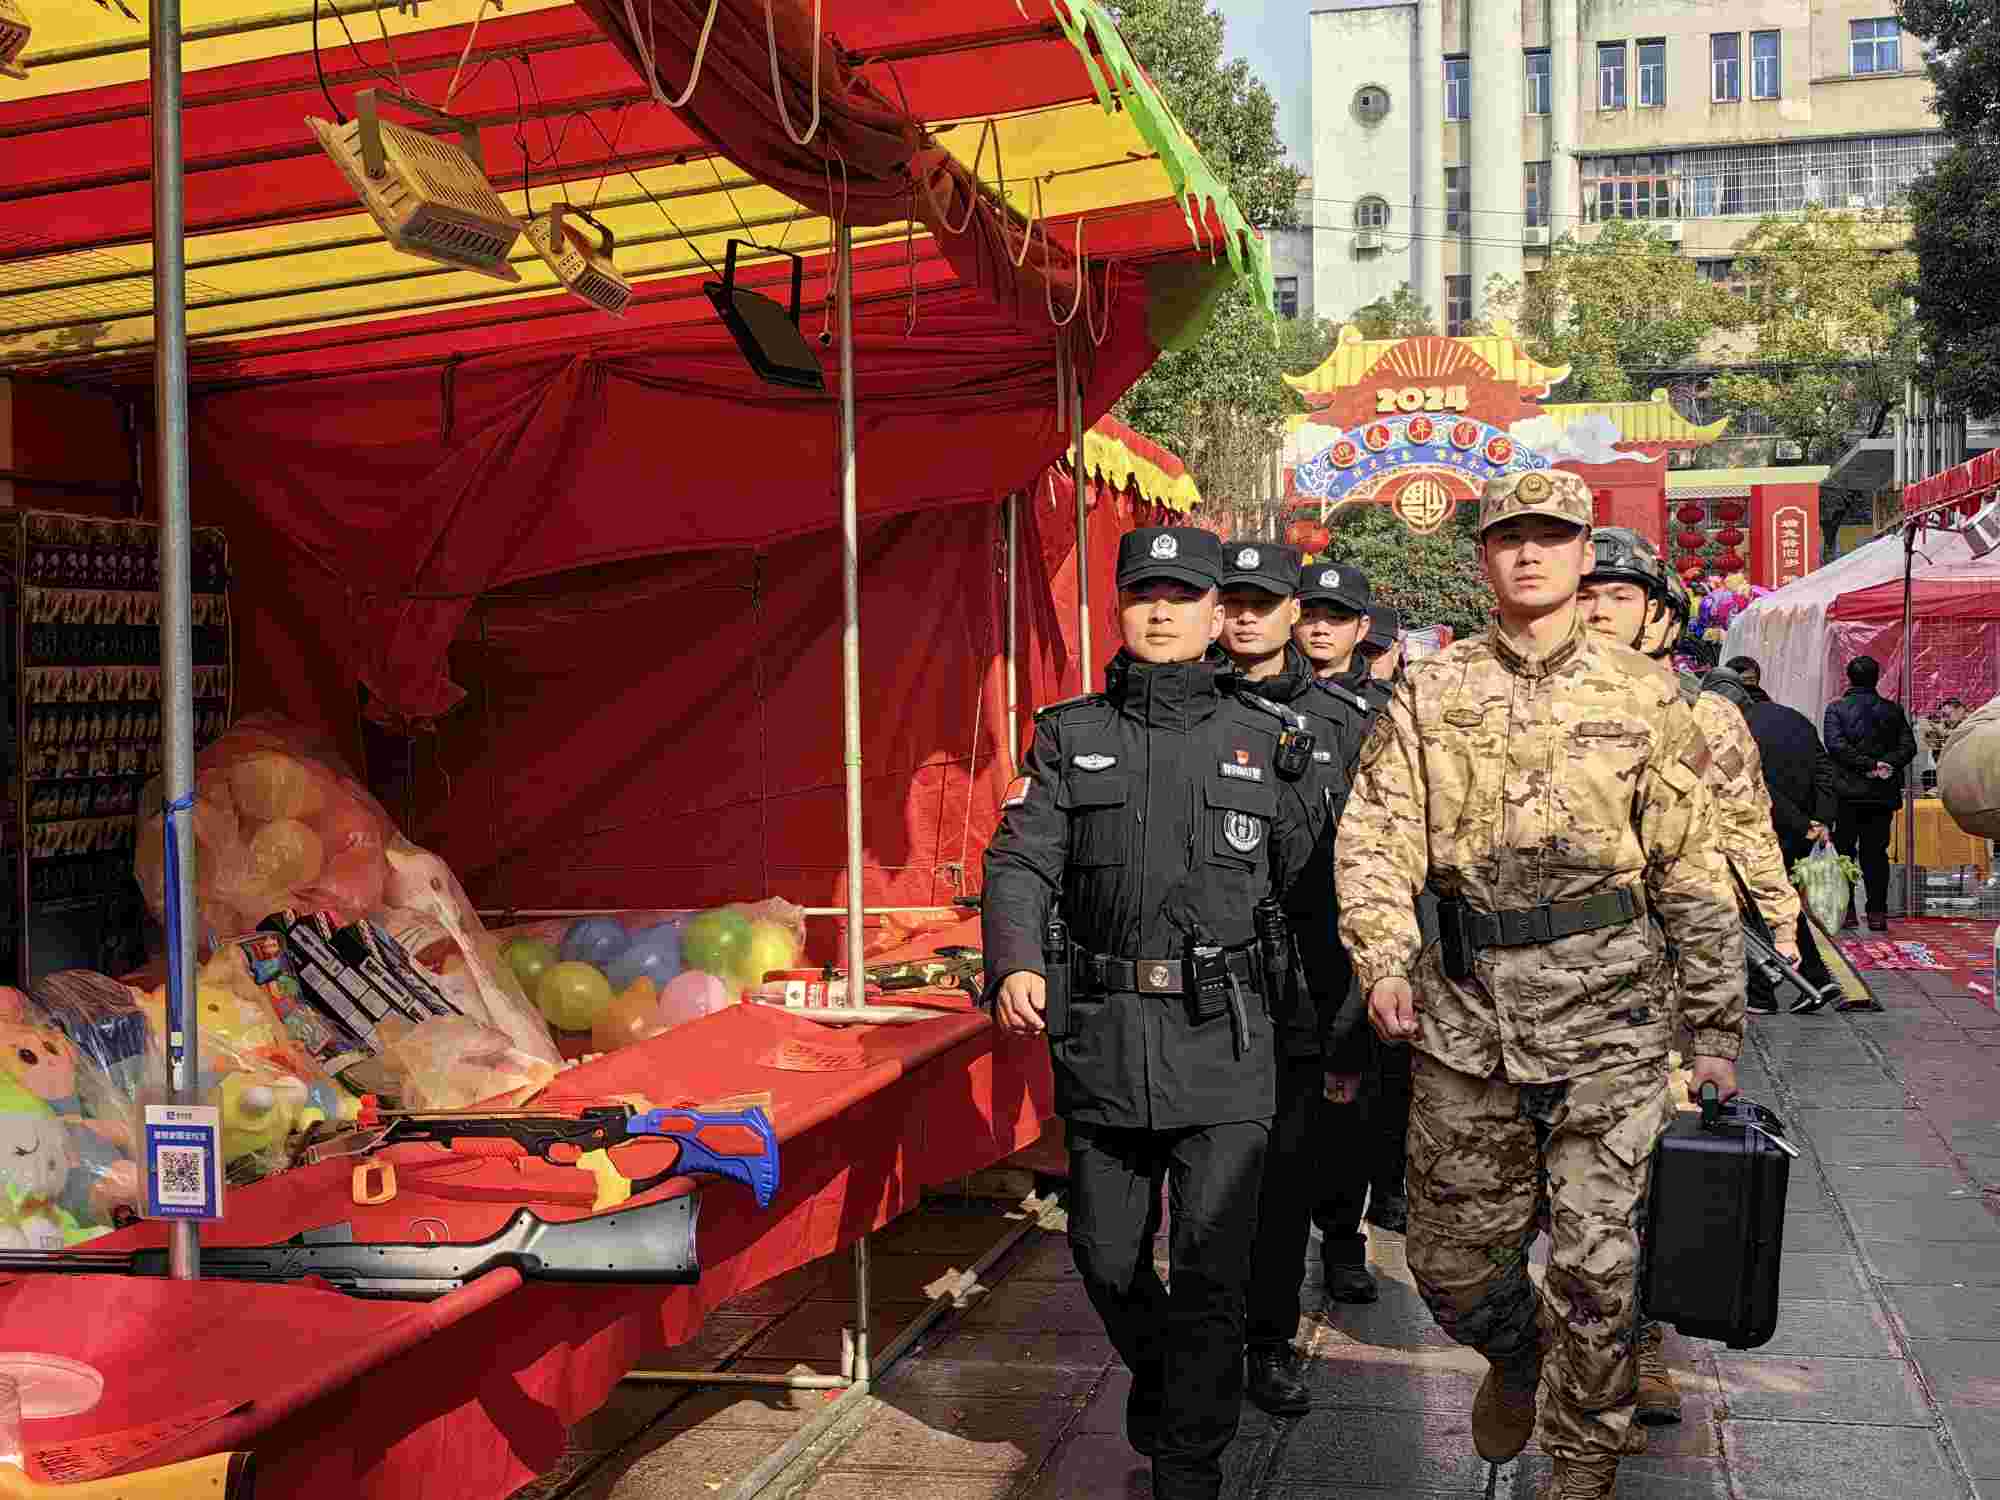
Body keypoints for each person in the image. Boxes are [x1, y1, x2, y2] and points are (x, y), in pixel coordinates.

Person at [1337, 470, 1744, 1500]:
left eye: (1550, 539)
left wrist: (1713, 1027)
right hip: (1467, 1018)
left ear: (1579, 556)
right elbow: (1376, 837)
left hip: (1612, 1019)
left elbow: (1693, 866)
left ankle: (1579, 1463)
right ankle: (1514, 1356)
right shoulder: (1429, 689)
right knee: (1447, 1267)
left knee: (1598, 1277)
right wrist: (1383, 957)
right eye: (1507, 537)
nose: (1528, 554)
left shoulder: (1646, 692)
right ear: (1481, 557)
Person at [982, 525, 1307, 1500]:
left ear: (1216, 614)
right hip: (1105, 1040)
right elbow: (1019, 857)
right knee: (1103, 1254)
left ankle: (1187, 1466)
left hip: (1227, 1043)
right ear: (1119, 609)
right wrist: (1012, 959)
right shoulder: (1068, 734)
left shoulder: (1263, 741)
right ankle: (1166, 1378)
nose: (1161, 610)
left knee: (1211, 1272)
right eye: (1143, 594)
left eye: (1182, 594)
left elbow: (1305, 893)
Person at [1217, 542, 1372, 1413]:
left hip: (1301, 992)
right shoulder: (1184, 711)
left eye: (1264, 600)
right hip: (1205, 991)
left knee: (1280, 1179)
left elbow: (1372, 872)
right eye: (1230, 599)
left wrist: (1356, 1009)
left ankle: (1267, 1340)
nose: (1245, 616)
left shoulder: (1346, 724)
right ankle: (1202, 1339)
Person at [1727, 661, 1842, 1009]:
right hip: (1800, 831)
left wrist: (1799, 822)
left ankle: (1765, 993)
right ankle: (1816, 977)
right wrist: (1820, 820)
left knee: (1752, 907)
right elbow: (1825, 770)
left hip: (1759, 829)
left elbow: (1759, 787)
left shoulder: (1734, 727)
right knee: (1781, 903)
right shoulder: (1796, 719)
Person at [1823, 656, 1918, 932]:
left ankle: (1847, 909)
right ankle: (1877, 912)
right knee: (1876, 853)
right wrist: (1885, 764)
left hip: (1846, 795)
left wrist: (1867, 765)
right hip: (1881, 795)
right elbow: (1908, 746)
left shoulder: (1836, 710)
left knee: (1844, 852)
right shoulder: (1892, 710)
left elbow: (1835, 746)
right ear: (1877, 678)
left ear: (1848, 677)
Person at [1292, 561, 1374, 682]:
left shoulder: (1385, 699)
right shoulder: (1264, 690)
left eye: (1338, 618)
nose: (1321, 629)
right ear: (1291, 617)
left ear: (1362, 628)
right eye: (1308, 615)